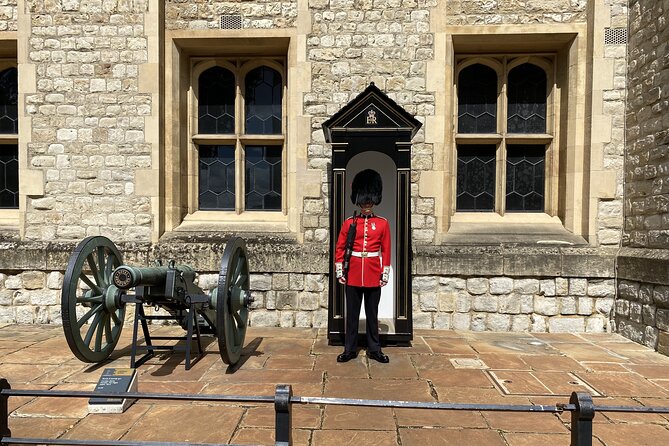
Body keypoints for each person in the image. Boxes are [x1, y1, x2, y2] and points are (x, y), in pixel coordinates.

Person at [334, 169, 391, 364]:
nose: (367, 205)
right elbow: (340, 247)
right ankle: (349, 349)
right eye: (364, 202)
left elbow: (386, 250)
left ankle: (374, 349)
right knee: (352, 315)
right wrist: (340, 270)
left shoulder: (382, 223)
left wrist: (385, 273)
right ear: (358, 201)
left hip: (374, 272)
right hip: (354, 274)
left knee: (373, 314)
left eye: (370, 202)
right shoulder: (350, 222)